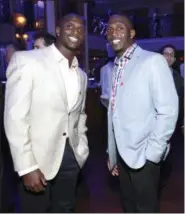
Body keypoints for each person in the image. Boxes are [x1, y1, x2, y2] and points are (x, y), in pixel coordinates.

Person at [4, 13, 89, 213]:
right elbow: (15, 118)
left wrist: (81, 149)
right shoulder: (27, 60)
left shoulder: (82, 75)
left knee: (65, 209)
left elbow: (80, 115)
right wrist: (26, 167)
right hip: (37, 160)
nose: (75, 31)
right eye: (69, 26)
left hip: (71, 158)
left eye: (80, 28)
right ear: (58, 31)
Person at [106, 14, 178, 213]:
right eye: (110, 29)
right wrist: (112, 152)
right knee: (129, 207)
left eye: (120, 28)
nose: (113, 33)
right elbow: (114, 113)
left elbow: (168, 110)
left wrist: (153, 153)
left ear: (132, 33)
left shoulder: (152, 61)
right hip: (122, 155)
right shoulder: (117, 66)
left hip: (145, 156)